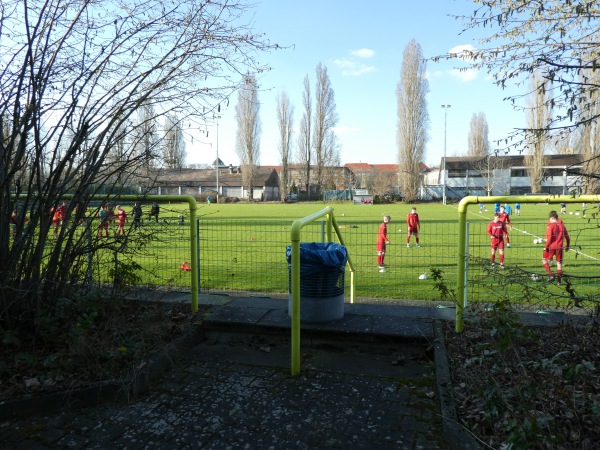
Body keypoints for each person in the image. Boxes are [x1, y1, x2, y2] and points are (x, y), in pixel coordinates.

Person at [542, 210, 570, 285]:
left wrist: (545, 247)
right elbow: (567, 237)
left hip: (551, 247)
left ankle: (550, 275)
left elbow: (550, 237)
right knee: (559, 263)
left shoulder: (551, 225)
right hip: (560, 247)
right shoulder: (562, 226)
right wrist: (567, 246)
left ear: (551, 218)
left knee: (544, 260)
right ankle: (559, 281)